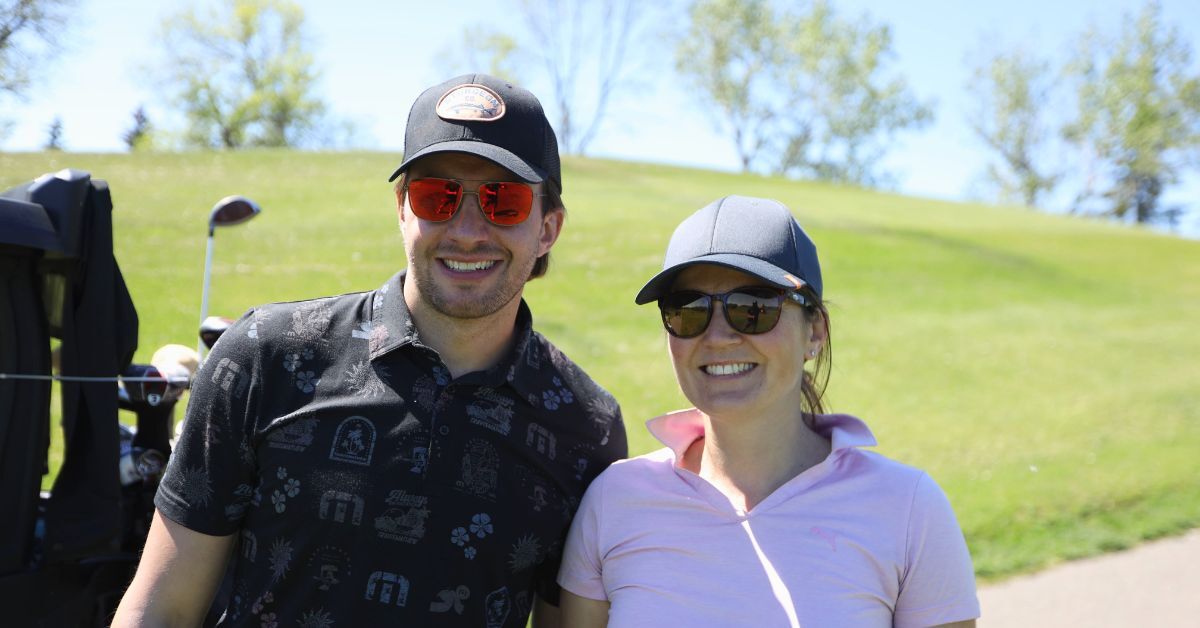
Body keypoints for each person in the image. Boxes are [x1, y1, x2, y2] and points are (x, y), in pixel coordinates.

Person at [113, 73, 627, 627]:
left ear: (548, 228)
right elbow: (160, 610)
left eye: (504, 201)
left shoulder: (586, 426)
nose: (466, 230)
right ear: (403, 207)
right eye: (437, 196)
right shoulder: (266, 357)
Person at [557, 196, 980, 627]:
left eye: (753, 308)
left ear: (815, 331)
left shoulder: (907, 508)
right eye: (688, 310)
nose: (717, 337)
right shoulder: (613, 500)